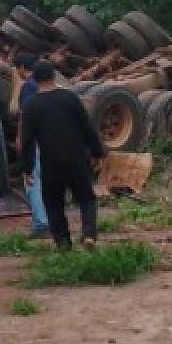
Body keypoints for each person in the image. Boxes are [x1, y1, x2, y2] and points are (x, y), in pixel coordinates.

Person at [19, 60, 106, 250]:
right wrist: (97, 152)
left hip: (51, 163)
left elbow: (27, 141)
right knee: (86, 198)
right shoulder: (69, 98)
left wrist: (27, 168)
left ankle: (63, 244)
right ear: (53, 76)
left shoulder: (30, 106)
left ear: (34, 78)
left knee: (53, 204)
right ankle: (89, 233)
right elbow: (86, 127)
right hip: (77, 158)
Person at [14, 52, 50, 238]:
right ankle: (50, 220)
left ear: (21, 67)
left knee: (32, 181)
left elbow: (25, 116)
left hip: (34, 140)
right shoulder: (46, 86)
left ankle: (40, 223)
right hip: (50, 140)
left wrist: (20, 138)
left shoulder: (27, 88)